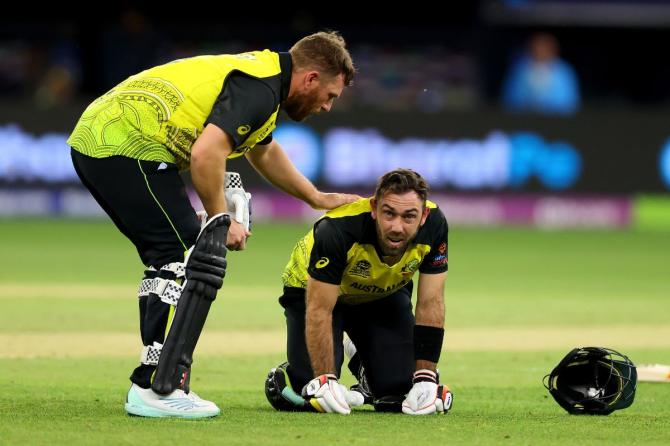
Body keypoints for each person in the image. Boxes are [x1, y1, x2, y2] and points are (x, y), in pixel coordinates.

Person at [67, 31, 359, 419]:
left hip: (105, 138)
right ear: (310, 79)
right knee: (187, 258)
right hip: (126, 144)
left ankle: (157, 380)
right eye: (330, 96)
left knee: (172, 257)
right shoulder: (260, 87)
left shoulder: (265, 79)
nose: (327, 106)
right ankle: (158, 387)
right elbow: (207, 153)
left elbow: (264, 150)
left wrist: (316, 198)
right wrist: (221, 219)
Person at [265, 169, 452, 415]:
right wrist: (324, 378)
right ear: (374, 208)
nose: (397, 227)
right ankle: (294, 372)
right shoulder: (338, 229)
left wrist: (426, 378)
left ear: (424, 215)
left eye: (409, 217)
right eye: (388, 213)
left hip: (382, 293)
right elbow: (320, 308)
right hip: (311, 291)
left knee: (399, 393)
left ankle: (362, 360)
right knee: (310, 393)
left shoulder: (436, 226)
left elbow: (431, 302)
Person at [501, 32, 580, 115]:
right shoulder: (519, 69)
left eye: (544, 48)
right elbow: (510, 98)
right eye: (536, 47)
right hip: (524, 118)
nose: (540, 51)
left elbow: (569, 101)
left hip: (555, 119)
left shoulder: (564, 71)